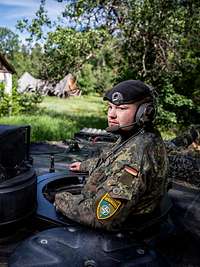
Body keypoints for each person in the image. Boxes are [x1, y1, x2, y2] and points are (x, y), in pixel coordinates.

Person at [54, 80, 168, 231]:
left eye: (121, 108)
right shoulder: (136, 135)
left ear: (145, 113)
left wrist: (60, 199)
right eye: (110, 107)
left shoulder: (136, 157)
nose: (112, 114)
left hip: (125, 230)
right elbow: (111, 160)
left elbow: (100, 217)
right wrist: (84, 165)